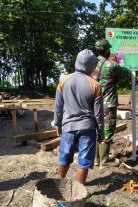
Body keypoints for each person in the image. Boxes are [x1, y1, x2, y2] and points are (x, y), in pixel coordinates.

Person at [53, 49, 104, 184]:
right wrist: (101, 132)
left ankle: (61, 184)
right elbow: (98, 114)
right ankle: (79, 190)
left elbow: (58, 107)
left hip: (68, 127)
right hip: (88, 128)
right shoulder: (95, 85)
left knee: (64, 158)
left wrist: (58, 125)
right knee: (84, 161)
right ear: (92, 66)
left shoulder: (63, 81)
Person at [92, 39, 127, 168]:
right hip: (108, 103)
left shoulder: (91, 63)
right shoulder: (111, 65)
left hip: (93, 103)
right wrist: (114, 62)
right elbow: (125, 74)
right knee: (107, 129)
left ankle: (96, 159)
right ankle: (105, 161)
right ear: (107, 50)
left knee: (96, 129)